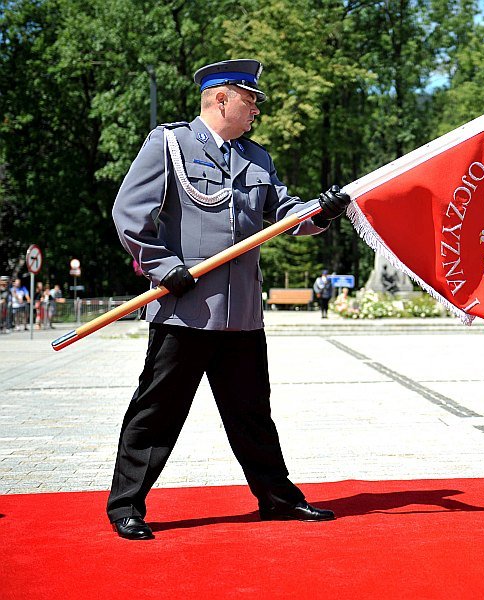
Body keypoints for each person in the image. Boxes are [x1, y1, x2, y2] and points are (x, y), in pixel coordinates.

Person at [107, 59, 351, 541]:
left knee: (252, 415)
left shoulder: (256, 159)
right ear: (222, 99)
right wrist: (162, 266)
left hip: (241, 316)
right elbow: (129, 213)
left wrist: (321, 212)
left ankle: (277, 499)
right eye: (250, 99)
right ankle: (126, 505)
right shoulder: (170, 144)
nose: (256, 108)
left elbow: (285, 214)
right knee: (157, 412)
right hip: (185, 311)